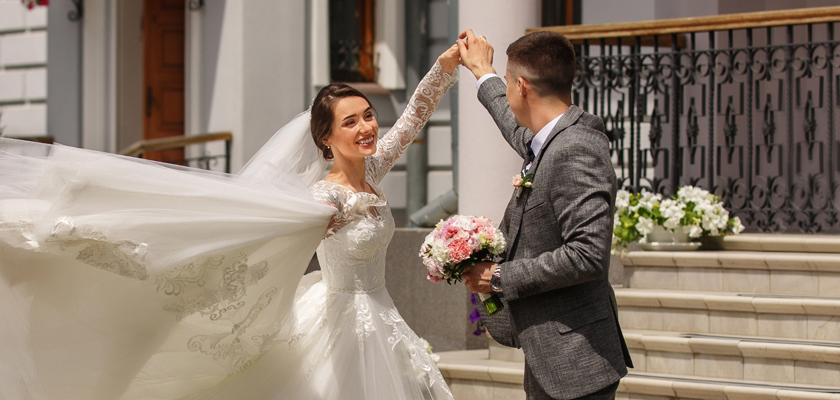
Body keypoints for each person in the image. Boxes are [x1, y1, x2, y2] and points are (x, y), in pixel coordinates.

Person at [0, 44, 460, 400]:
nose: (367, 128)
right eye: (350, 122)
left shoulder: (373, 171)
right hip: (341, 321)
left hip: (382, 314)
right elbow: (263, 236)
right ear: (325, 137)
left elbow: (413, 118)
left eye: (368, 116)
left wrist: (445, 65)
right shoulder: (325, 197)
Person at [458, 30, 633, 400]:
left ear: (522, 86)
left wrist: (498, 276)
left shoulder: (575, 148)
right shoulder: (550, 139)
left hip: (577, 362)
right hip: (553, 357)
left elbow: (586, 256)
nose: (506, 92)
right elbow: (512, 123)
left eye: (506, 83)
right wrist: (483, 72)